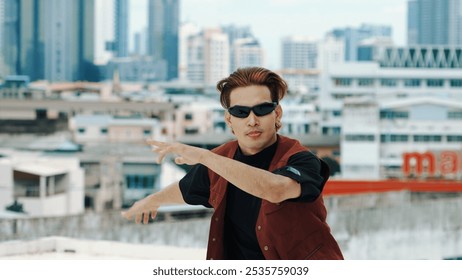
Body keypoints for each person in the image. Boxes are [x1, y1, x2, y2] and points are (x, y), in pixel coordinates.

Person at [121, 67, 344, 260]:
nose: (252, 120)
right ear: (229, 120)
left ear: (277, 113)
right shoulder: (221, 159)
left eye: (263, 109)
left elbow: (276, 189)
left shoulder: (302, 159)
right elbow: (187, 187)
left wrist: (205, 157)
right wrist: (153, 200)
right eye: (240, 112)